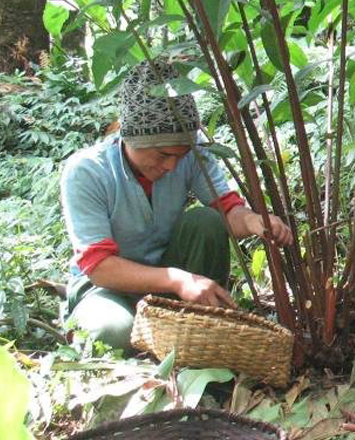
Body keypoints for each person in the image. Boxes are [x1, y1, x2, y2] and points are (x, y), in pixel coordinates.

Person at [60, 59, 293, 349]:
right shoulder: (87, 171)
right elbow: (99, 267)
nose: (171, 166)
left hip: (170, 279)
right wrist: (177, 280)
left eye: (180, 156)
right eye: (162, 155)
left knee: (206, 220)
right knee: (112, 333)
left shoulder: (191, 156)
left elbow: (226, 208)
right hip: (105, 289)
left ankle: (196, 324)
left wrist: (254, 221)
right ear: (132, 138)